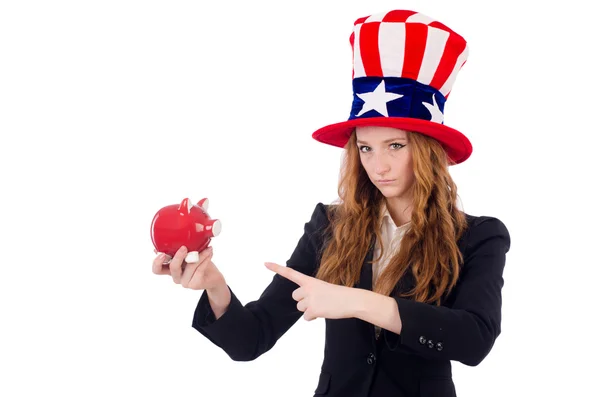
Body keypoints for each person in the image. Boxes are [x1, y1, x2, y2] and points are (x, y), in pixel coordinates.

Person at [152, 9, 511, 397]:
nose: (379, 165)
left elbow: (475, 340)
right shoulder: (330, 225)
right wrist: (216, 287)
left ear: (427, 151)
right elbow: (250, 340)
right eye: (365, 148)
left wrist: (356, 301)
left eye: (395, 145)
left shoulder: (478, 236)